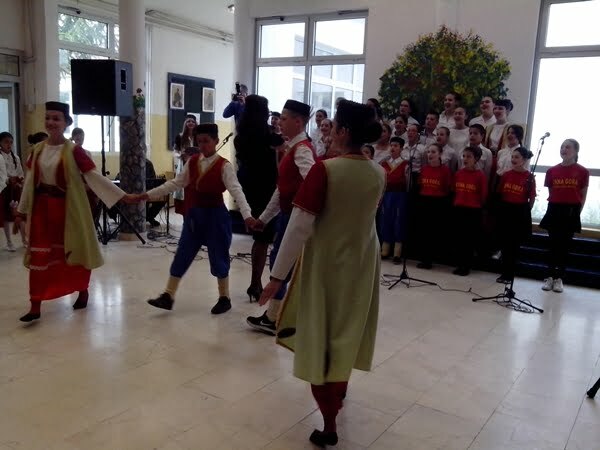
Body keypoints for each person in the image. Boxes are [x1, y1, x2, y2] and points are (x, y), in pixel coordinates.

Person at [258, 99, 385, 448]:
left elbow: (299, 226)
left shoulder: (325, 170)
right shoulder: (378, 172)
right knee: (345, 332)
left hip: (327, 265)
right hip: (362, 265)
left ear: (342, 131)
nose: (328, 133)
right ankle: (338, 397)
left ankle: (329, 423)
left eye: (334, 127)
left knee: (319, 337)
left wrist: (277, 277)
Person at [14, 101, 131, 322]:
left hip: (67, 212)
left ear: (66, 123)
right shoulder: (36, 151)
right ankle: (35, 304)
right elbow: (30, 182)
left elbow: (94, 177)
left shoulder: (75, 151)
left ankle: (82, 290)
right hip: (42, 212)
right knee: (40, 256)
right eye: (47, 118)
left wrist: (122, 196)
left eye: (56, 118)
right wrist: (22, 210)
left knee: (73, 253)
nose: (51, 122)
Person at [142, 123, 256, 314]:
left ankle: (224, 297)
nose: (202, 145)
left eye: (206, 141)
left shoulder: (224, 166)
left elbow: (237, 191)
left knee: (219, 256)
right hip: (195, 216)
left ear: (216, 141)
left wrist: (247, 215)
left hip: (216, 217)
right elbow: (175, 183)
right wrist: (147, 195)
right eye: (199, 141)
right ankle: (168, 295)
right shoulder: (193, 161)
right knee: (183, 253)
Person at [246, 99, 316, 335]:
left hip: (295, 217)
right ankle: (275, 316)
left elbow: (313, 183)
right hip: (287, 215)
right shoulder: (291, 148)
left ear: (298, 121)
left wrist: (302, 212)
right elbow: (281, 190)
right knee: (282, 264)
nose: (279, 122)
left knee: (282, 264)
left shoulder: (302, 149)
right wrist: (264, 219)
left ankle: (275, 317)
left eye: (284, 118)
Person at [235, 95, 284, 302]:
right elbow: (282, 147)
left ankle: (255, 283)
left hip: (248, 186)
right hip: (266, 187)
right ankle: (255, 283)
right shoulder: (268, 136)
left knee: (259, 236)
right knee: (264, 238)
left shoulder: (240, 136)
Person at [539, 139, 589, 293]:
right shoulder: (552, 171)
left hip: (571, 210)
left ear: (576, 151)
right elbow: (551, 192)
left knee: (564, 246)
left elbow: (582, 195)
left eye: (567, 147)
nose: (563, 149)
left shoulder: (583, 171)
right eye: (562, 147)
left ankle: (559, 278)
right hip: (555, 208)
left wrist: (576, 212)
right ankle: (549, 277)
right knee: (552, 244)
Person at [495, 147, 536, 284]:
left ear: (524, 160)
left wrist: (525, 212)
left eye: (517, 157)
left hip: (519, 212)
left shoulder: (529, 177)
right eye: (512, 157)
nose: (513, 159)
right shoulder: (506, 175)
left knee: (514, 246)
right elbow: (500, 193)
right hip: (506, 211)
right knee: (505, 244)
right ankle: (503, 272)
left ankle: (510, 274)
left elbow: (531, 198)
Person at [452, 145, 488, 276]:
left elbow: (483, 196)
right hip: (459, 209)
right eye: (464, 156)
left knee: (469, 240)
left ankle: (466, 266)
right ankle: (459, 264)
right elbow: (454, 191)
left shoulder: (480, 176)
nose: (465, 159)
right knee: (459, 239)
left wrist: (479, 208)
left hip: (473, 211)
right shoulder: (459, 173)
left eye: (469, 156)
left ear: (476, 159)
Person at [417, 143, 452, 269]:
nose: (430, 154)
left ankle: (431, 259)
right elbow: (421, 185)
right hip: (424, 201)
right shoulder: (424, 169)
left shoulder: (445, 170)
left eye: (433, 152)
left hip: (437, 203)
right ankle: (424, 258)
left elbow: (447, 188)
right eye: (428, 152)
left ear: (440, 154)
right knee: (424, 232)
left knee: (434, 232)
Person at [380, 136, 408, 263]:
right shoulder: (384, 163)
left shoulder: (406, 164)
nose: (393, 148)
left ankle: (397, 253)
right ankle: (385, 249)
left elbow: (408, 183)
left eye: (396, 146)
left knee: (398, 220)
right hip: (387, 195)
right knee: (386, 219)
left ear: (401, 148)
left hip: (400, 196)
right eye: (391, 145)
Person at [0, 132, 26, 251]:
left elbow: (20, 173)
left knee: (19, 214)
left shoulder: (16, 157)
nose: (9, 145)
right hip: (4, 190)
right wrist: (8, 180)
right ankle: (9, 242)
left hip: (15, 189)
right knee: (6, 217)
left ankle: (24, 240)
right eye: (6, 142)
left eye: (11, 142)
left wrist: (20, 181)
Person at [173, 114, 197, 215]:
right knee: (184, 192)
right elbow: (175, 151)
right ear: (185, 123)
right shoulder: (180, 136)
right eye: (188, 121)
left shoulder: (198, 137)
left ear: (196, 123)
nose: (191, 123)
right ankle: (185, 216)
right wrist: (181, 155)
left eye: (193, 121)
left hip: (196, 166)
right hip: (184, 165)